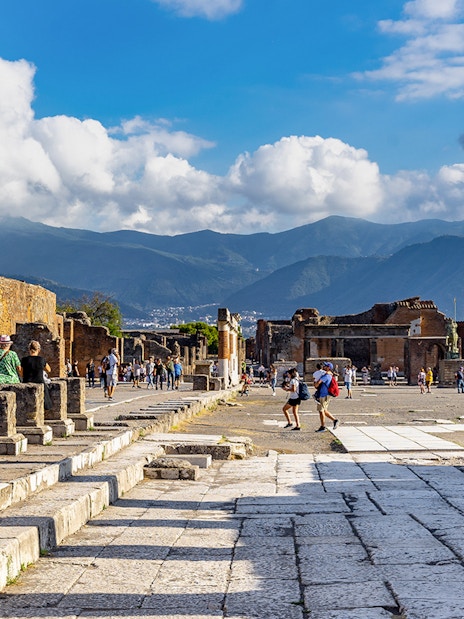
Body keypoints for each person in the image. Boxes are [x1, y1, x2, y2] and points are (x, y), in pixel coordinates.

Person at [20, 340, 52, 410]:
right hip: (39, 382)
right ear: (38, 350)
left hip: (27, 382)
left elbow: (21, 373)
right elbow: (49, 370)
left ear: (29, 349)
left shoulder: (24, 360)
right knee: (45, 398)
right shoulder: (41, 360)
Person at [314, 361, 339, 432]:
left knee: (321, 411)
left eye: (325, 366)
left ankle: (323, 426)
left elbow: (317, 384)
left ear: (328, 368)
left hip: (324, 395)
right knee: (323, 410)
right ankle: (334, 420)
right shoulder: (327, 374)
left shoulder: (326, 376)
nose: (323, 367)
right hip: (323, 394)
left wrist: (315, 381)